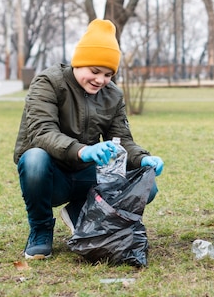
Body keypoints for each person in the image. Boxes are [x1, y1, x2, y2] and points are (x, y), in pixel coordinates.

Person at [14, 19, 164, 260]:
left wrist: (143, 159)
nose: (100, 80)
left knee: (148, 185)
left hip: (88, 174)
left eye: (108, 74)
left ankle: (79, 212)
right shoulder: (49, 82)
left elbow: (122, 140)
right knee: (33, 159)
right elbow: (41, 133)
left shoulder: (112, 95)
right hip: (50, 176)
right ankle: (41, 230)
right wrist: (82, 150)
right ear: (78, 63)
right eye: (94, 71)